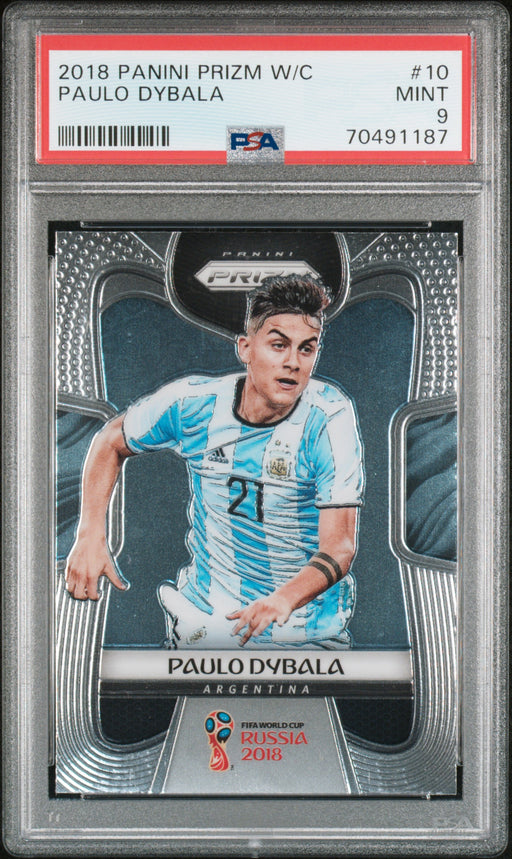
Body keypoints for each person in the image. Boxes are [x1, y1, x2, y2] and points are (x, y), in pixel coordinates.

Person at [65, 275, 364, 649]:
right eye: (278, 345)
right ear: (245, 348)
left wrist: (282, 599)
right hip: (204, 625)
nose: (293, 362)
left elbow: (340, 547)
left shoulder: (329, 417)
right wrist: (89, 533)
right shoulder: (194, 405)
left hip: (303, 635)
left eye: (307, 349)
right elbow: (111, 440)